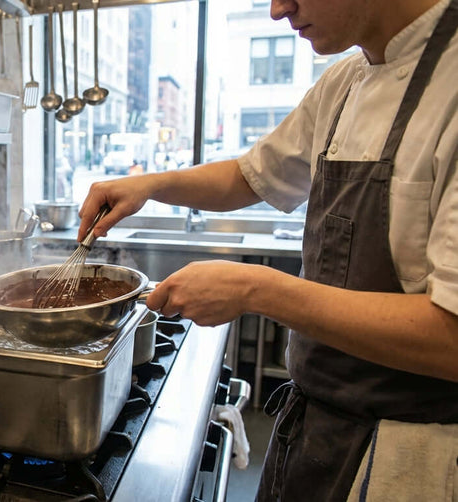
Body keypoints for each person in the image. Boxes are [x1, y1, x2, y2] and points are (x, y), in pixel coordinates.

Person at [77, 0, 458, 500]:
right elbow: (248, 176)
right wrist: (149, 185)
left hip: (412, 454)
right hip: (313, 424)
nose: (278, 9)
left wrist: (256, 289)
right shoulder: (344, 82)